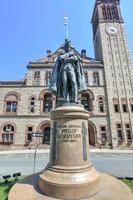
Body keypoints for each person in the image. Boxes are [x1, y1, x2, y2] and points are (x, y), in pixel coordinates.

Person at [50, 39, 86, 104]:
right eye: (67, 46)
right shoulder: (63, 53)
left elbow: (75, 59)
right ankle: (66, 100)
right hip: (63, 69)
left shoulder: (74, 54)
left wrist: (66, 59)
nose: (68, 47)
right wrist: (69, 55)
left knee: (74, 83)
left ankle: (74, 99)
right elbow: (61, 58)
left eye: (69, 46)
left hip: (72, 69)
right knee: (65, 84)